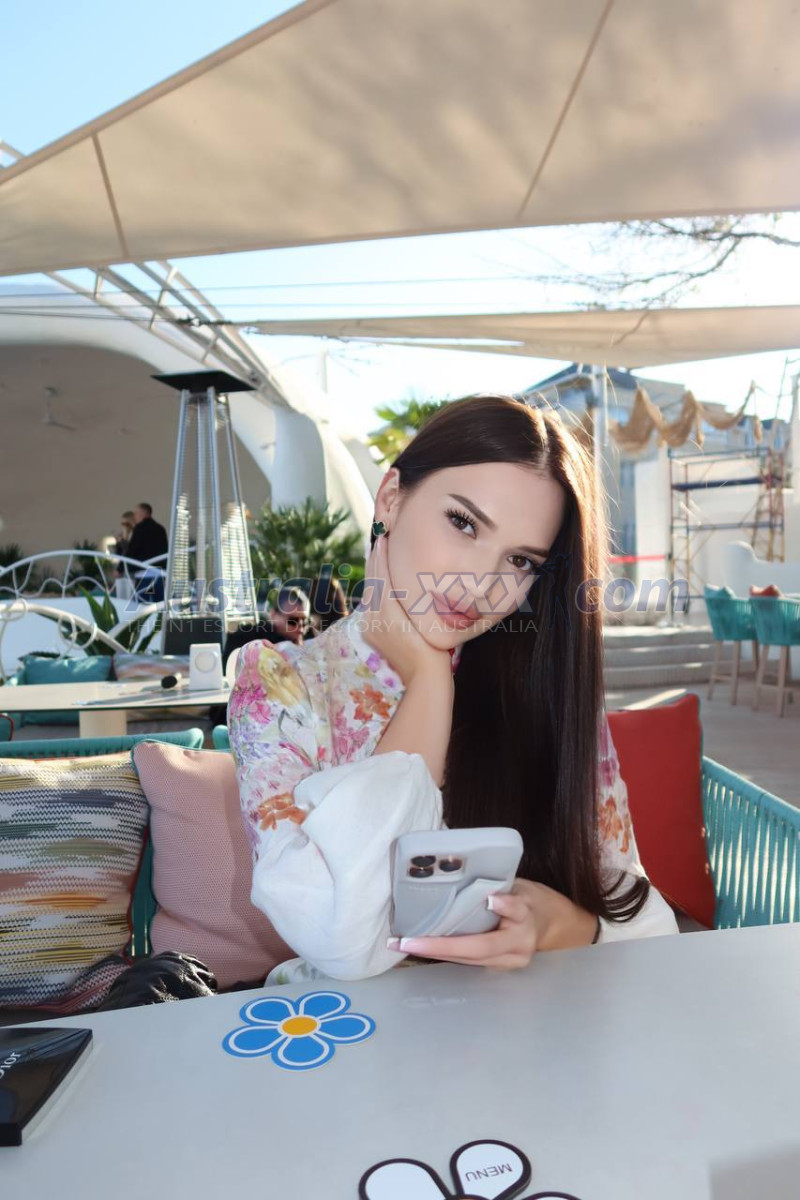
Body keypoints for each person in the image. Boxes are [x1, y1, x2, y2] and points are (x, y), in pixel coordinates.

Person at [228, 395, 678, 984]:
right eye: (463, 523)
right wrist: (428, 680)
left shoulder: (544, 693)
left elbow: (639, 919)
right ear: (391, 498)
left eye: (520, 560)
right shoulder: (280, 686)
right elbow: (341, 938)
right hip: (347, 1031)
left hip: (530, 1024)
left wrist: (553, 923)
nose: (481, 583)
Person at [126, 503, 168, 603]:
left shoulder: (140, 528)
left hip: (143, 573)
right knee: (159, 605)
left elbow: (132, 549)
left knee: (140, 605)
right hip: (159, 573)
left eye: (136, 513)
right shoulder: (160, 529)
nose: (135, 516)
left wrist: (120, 569)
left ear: (144, 513)